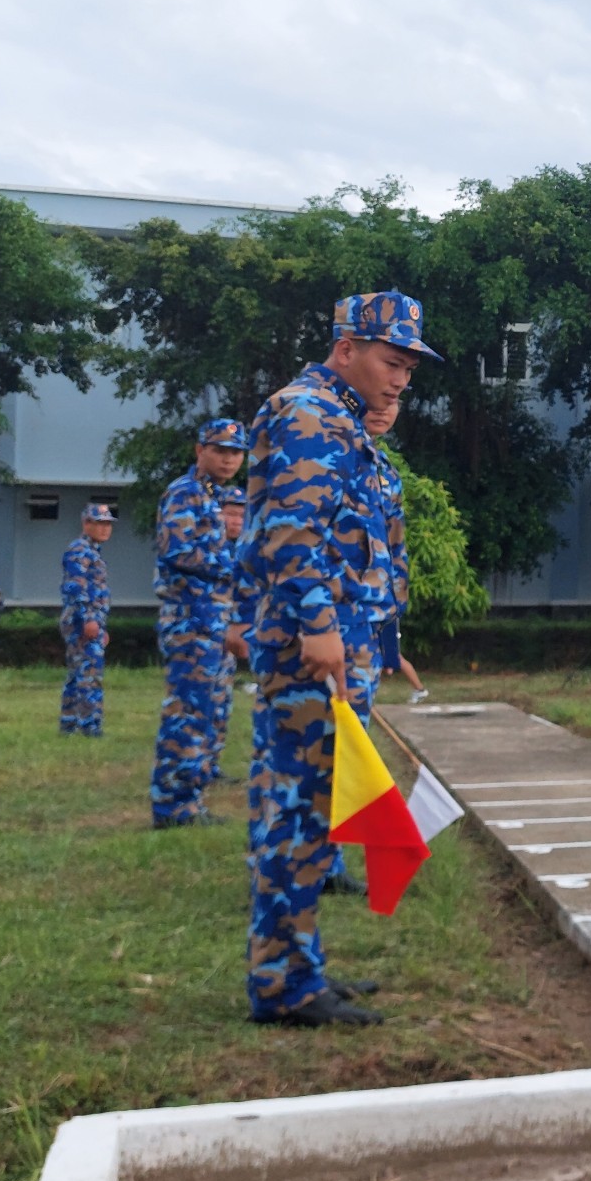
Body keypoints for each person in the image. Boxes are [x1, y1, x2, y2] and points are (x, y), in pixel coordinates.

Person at [239, 289, 429, 1027]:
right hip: (308, 655)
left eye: (410, 369)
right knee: (291, 814)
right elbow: (292, 531)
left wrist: (373, 640)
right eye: (391, 362)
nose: (400, 380)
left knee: (316, 816)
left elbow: (359, 545)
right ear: (345, 348)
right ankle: (283, 985)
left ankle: (299, 968)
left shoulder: (344, 422)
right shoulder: (308, 413)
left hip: (340, 653)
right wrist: (320, 627)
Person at [150, 418, 247, 827]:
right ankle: (174, 806)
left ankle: (190, 797)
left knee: (204, 709)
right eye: (219, 450)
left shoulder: (212, 496)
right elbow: (179, 552)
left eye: (235, 452)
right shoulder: (184, 493)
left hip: (211, 619)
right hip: (190, 620)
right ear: (200, 450)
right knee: (186, 711)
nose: (228, 459)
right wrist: (234, 566)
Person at [361, 400, 427, 704]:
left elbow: (394, 543)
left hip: (375, 611)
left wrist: (394, 605)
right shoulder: (328, 453)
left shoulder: (385, 469)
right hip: (332, 611)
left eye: (394, 401)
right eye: (377, 399)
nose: (383, 408)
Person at [208, 485, 255, 786]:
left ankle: (211, 763)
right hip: (207, 634)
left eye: (241, 515)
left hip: (231, 636)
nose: (236, 521)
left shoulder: (244, 552)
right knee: (203, 700)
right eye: (230, 514)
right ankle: (194, 765)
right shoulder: (207, 548)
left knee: (221, 701)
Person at [58, 503, 113, 736]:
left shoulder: (92, 551)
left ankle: (69, 723)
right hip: (82, 621)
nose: (104, 529)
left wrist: (100, 624)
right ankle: (89, 726)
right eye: (99, 523)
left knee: (77, 674)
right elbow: (75, 588)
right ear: (86, 524)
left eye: (108, 524)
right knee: (90, 675)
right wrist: (90, 619)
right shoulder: (80, 550)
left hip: (88, 621)